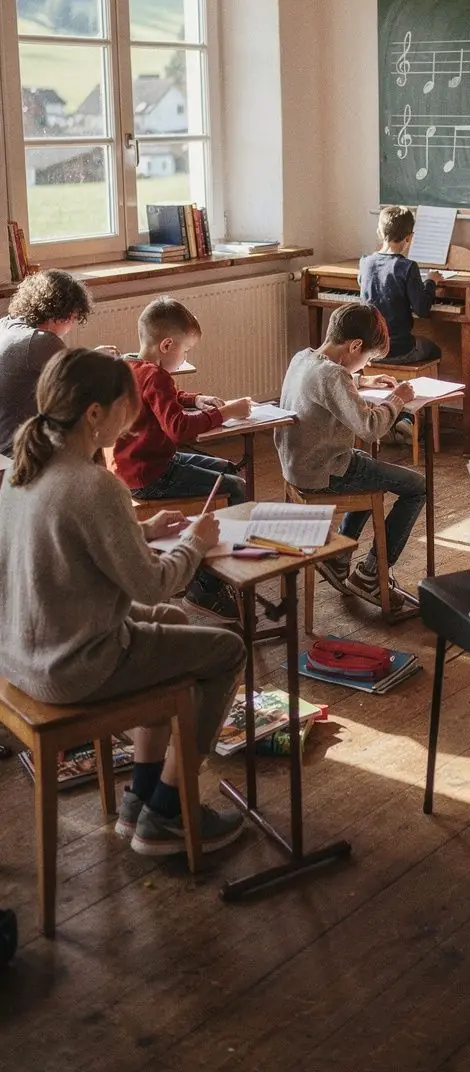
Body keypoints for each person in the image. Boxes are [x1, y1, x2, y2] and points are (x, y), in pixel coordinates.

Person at [0, 348, 247, 858]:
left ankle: (141, 795)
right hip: (71, 666)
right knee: (227, 650)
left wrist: (141, 530)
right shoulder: (95, 484)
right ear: (95, 413)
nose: (131, 422)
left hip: (20, 655)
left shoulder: (24, 470)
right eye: (126, 410)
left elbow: (69, 539)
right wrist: (194, 542)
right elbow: (152, 584)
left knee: (171, 621)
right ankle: (169, 810)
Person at [275, 304, 425, 616]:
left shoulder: (303, 358)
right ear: (354, 345)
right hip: (323, 471)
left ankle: (338, 559)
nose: (366, 365)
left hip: (297, 464)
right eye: (367, 358)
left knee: (368, 470)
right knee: (417, 487)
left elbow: (324, 386)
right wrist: (397, 400)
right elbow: (370, 428)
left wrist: (361, 382)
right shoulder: (334, 375)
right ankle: (371, 574)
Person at [112, 296, 252, 622]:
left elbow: (166, 398)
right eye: (186, 351)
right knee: (235, 488)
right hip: (152, 476)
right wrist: (226, 412)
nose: (186, 357)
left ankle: (204, 562)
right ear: (167, 345)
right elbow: (178, 428)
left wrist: (195, 399)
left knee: (226, 469)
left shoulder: (129, 364)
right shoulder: (157, 376)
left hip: (140, 467)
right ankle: (207, 585)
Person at [0, 268, 117, 455]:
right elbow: (81, 385)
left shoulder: (5, 325)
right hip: (17, 449)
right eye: (74, 318)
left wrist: (90, 357)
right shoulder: (41, 341)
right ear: (66, 313)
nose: (73, 324)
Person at [359, 205, 441, 364]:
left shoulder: (365, 263)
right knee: (435, 350)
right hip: (399, 350)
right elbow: (422, 309)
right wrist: (431, 281)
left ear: (379, 232)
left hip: (371, 349)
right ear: (409, 238)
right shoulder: (408, 267)